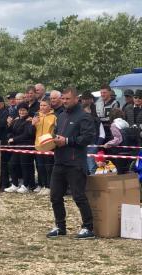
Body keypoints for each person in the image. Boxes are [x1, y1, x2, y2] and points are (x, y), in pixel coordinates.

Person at [47, 87, 96, 239]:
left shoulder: (84, 117)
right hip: (59, 161)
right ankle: (60, 227)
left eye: (68, 99)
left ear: (76, 99)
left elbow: (88, 138)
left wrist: (67, 141)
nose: (65, 101)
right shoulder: (61, 115)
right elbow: (58, 135)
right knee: (55, 196)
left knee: (79, 196)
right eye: (63, 98)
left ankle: (88, 228)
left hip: (75, 163)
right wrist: (51, 141)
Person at [5, 103, 35, 193]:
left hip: (26, 146)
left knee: (25, 166)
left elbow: (27, 134)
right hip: (17, 146)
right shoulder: (16, 120)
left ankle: (26, 185)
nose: (22, 112)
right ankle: (14, 184)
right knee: (12, 164)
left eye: (24, 110)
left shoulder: (29, 120)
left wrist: (13, 139)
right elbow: (10, 131)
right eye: (20, 110)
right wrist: (9, 126)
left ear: (27, 111)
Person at [32, 97, 56, 195]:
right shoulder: (37, 116)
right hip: (38, 145)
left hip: (49, 145)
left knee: (48, 167)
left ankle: (49, 186)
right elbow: (31, 132)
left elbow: (55, 131)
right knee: (40, 167)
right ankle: (42, 185)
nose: (42, 107)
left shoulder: (54, 117)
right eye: (41, 105)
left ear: (49, 106)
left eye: (44, 105)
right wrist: (32, 124)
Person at [104, 108, 137, 174]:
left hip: (119, 151)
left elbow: (118, 139)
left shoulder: (114, 125)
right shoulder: (126, 124)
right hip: (129, 151)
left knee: (120, 172)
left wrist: (108, 144)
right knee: (128, 172)